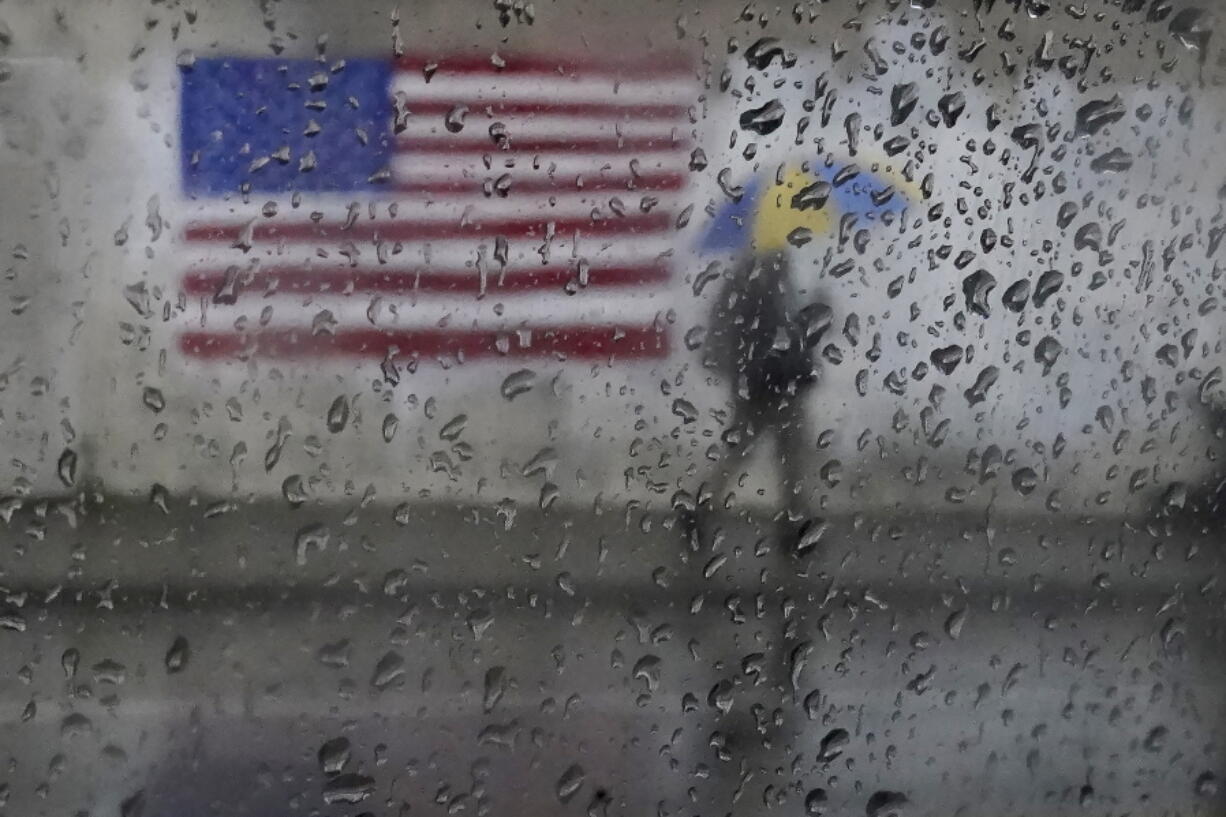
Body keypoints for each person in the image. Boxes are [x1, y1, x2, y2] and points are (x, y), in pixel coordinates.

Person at [683, 248, 830, 549]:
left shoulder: (784, 282)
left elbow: (797, 332)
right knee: (757, 451)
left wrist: (818, 307)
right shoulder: (753, 283)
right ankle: (703, 511)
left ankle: (793, 522)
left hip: (784, 382)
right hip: (762, 385)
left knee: (788, 454)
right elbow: (750, 333)